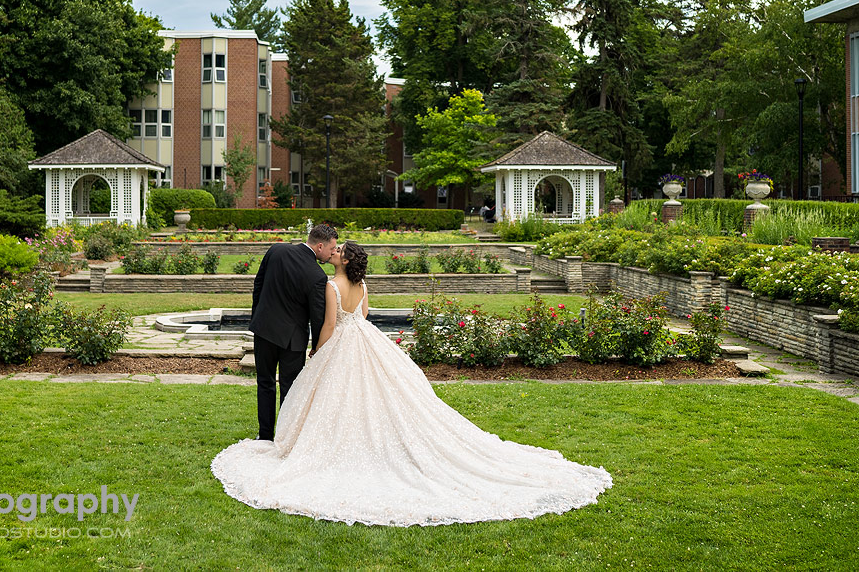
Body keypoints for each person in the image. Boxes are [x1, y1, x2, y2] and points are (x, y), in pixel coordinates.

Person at [213, 241, 612, 526]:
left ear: (344, 260)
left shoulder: (331, 286)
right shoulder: (363, 286)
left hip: (341, 344)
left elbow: (331, 326)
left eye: (339, 251)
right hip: (367, 343)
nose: (334, 252)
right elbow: (364, 319)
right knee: (376, 395)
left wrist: (319, 353)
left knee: (334, 396)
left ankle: (301, 438)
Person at [249, 223, 338, 441]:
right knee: (290, 389)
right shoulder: (317, 275)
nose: (333, 252)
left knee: (265, 383)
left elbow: (257, 286)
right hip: (292, 341)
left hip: (264, 330)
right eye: (331, 248)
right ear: (319, 246)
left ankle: (265, 436)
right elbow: (317, 318)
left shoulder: (276, 250)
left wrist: (257, 318)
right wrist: (317, 347)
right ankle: (285, 436)